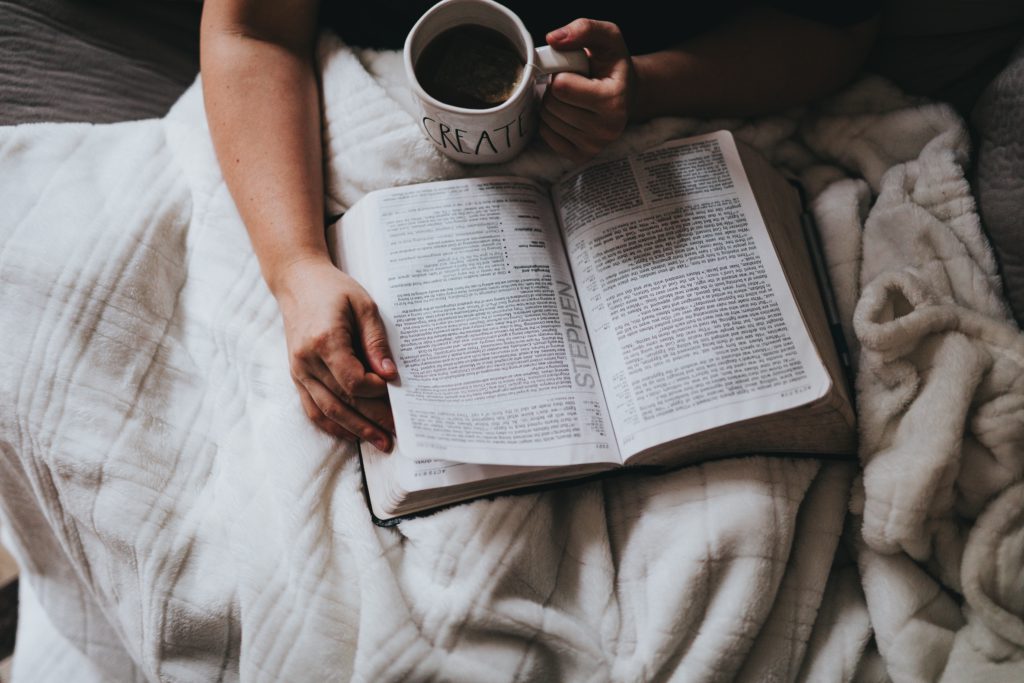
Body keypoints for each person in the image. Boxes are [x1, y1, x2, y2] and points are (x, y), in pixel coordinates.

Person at [199, 0, 879, 452]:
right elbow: (249, 28)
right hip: (318, 158)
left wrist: (646, 85)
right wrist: (295, 266)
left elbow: (837, 32)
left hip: (674, 142)